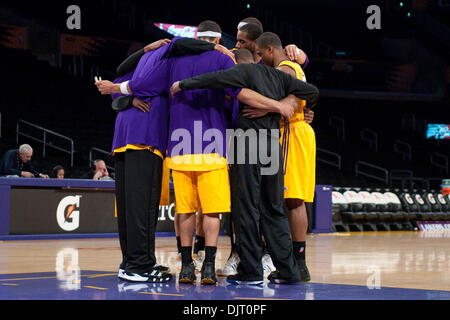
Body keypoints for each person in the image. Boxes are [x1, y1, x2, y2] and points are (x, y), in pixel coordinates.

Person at [170, 48, 319, 285]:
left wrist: (183, 83)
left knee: (246, 209)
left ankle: (251, 272)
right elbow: (311, 91)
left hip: (246, 144)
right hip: (273, 145)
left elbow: (213, 79)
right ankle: (289, 271)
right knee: (274, 208)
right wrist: (278, 106)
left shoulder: (240, 71)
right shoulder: (279, 77)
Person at [95, 39, 173, 283]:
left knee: (130, 208)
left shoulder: (130, 73)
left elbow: (116, 92)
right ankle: (140, 265)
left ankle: (129, 263)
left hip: (123, 141)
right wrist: (130, 96)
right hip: (145, 140)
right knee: (142, 207)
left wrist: (125, 95)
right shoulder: (151, 72)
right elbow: (126, 92)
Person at [251, 32, 316, 282]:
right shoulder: (295, 64)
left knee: (290, 199)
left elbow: (296, 92)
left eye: (260, 54)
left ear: (269, 50)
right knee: (292, 199)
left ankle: (296, 264)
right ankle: (297, 262)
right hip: (297, 130)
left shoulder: (286, 67)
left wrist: (267, 107)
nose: (258, 59)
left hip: (290, 132)